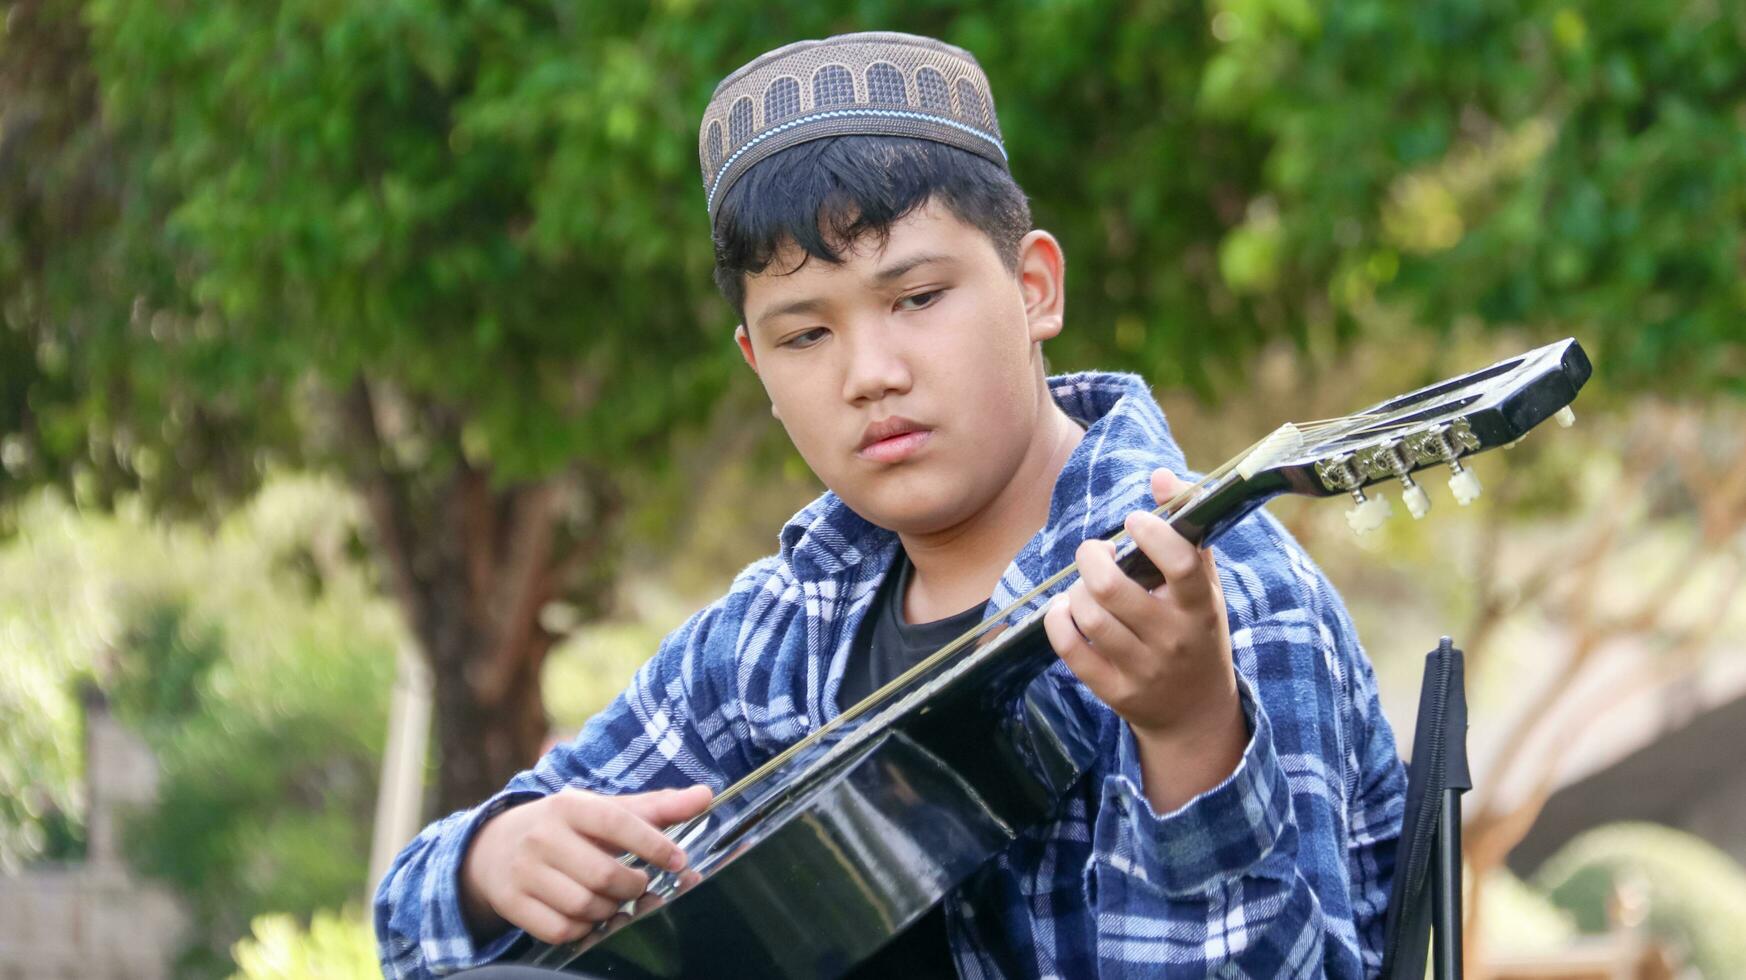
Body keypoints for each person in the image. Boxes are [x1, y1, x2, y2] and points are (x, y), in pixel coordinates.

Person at [375, 30, 1405, 979]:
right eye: (804, 335)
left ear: (1035, 286)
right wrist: (492, 856)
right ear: (757, 367)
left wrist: (1189, 734)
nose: (869, 372)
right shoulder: (780, 631)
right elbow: (407, 920)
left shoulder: (1215, 590)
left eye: (917, 299)